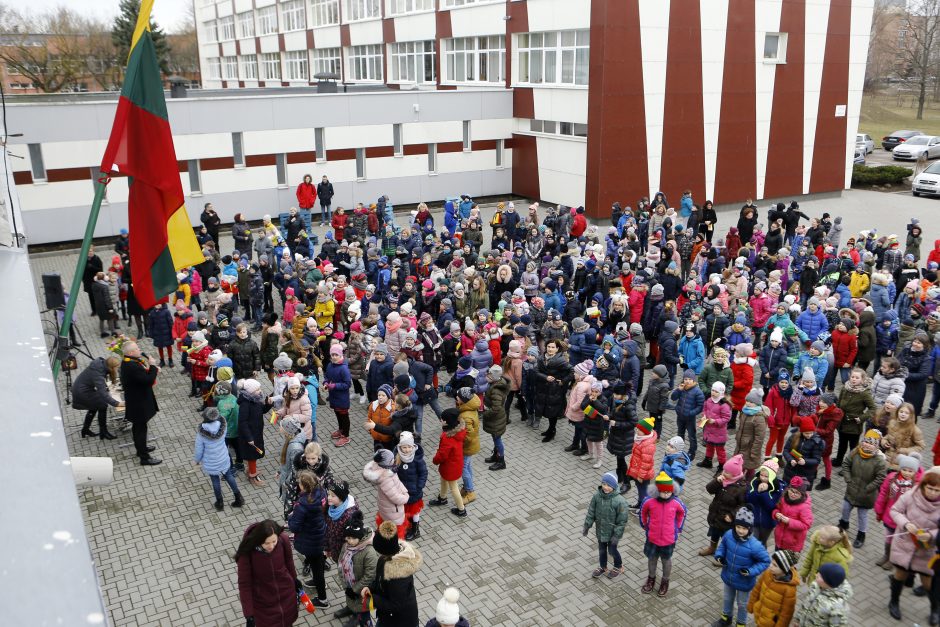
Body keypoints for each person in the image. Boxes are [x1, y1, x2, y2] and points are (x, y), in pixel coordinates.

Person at [888, 465, 940, 621]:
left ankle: (935, 609)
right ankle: (894, 602)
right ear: (924, 485)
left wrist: (931, 535)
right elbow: (895, 510)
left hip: (927, 550)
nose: (932, 493)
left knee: (928, 582)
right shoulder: (911, 495)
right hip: (905, 544)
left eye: (937, 490)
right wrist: (906, 524)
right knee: (900, 574)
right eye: (930, 488)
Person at [234, 520, 299, 627]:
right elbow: (244, 585)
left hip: (287, 596)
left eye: (274, 541)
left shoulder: (283, 539)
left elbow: (289, 561)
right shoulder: (246, 554)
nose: (271, 546)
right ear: (258, 540)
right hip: (264, 604)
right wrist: (249, 615)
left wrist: (294, 579)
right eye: (266, 543)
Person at [713, 506, 771, 627]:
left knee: (742, 604)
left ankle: (741, 623)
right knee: (727, 599)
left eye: (744, 528)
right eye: (738, 526)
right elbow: (722, 546)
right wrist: (719, 556)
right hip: (728, 576)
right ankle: (726, 618)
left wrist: (750, 571)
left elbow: (765, 561)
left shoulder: (755, 545)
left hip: (744, 581)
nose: (740, 530)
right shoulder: (728, 535)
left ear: (749, 528)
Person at [362, 521, 423, 627]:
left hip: (401, 622)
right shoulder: (385, 558)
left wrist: (373, 598)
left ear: (383, 549)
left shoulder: (398, 575)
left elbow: (396, 605)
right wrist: (370, 588)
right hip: (388, 617)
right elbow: (380, 580)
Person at [287, 470, 330, 609]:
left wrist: (290, 517)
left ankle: (322, 599)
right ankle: (318, 582)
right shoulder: (322, 492)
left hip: (311, 540)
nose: (298, 485)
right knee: (316, 563)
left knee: (317, 568)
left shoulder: (303, 505)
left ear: (304, 486)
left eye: (299, 483)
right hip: (320, 533)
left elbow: (294, 527)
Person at [639, 471, 687, 596]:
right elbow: (642, 512)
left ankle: (665, 581)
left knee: (666, 561)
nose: (666, 495)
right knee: (652, 559)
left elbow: (683, 513)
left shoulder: (676, 503)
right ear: (657, 490)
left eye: (668, 492)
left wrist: (678, 528)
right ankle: (651, 579)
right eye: (663, 492)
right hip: (653, 538)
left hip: (668, 539)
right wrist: (644, 524)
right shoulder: (649, 501)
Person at [839, 429, 887, 548]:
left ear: (876, 445)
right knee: (845, 508)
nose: (867, 445)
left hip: (867, 494)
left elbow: (881, 477)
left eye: (871, 443)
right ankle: (844, 524)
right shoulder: (855, 452)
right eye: (866, 441)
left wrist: (869, 487)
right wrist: (848, 478)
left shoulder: (879, 461)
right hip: (852, 489)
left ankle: (861, 534)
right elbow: (846, 464)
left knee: (862, 515)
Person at [193, 407, 244, 511]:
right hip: (223, 457)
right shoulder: (222, 427)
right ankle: (238, 497)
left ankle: (220, 502)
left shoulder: (202, 433)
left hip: (211, 461)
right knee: (229, 475)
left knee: (215, 480)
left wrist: (197, 460)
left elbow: (199, 449)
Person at [119, 341, 162, 466]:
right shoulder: (132, 366)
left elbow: (143, 377)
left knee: (139, 428)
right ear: (131, 353)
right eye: (137, 349)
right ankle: (144, 458)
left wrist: (151, 369)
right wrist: (153, 366)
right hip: (138, 404)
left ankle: (141, 449)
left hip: (137, 401)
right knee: (140, 430)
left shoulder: (129, 362)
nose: (140, 350)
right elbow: (147, 380)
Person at [582, 472, 629, 579]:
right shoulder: (596, 497)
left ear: (614, 486)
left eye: (609, 485)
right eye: (604, 484)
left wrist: (616, 535)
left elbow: (622, 521)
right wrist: (587, 525)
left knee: (612, 550)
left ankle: (618, 566)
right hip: (601, 530)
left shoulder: (620, 501)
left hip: (613, 533)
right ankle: (603, 567)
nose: (605, 487)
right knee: (602, 549)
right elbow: (591, 512)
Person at [334, 511, 377, 627]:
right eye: (347, 538)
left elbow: (370, 575)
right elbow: (341, 561)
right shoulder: (347, 545)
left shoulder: (369, 552)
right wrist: (345, 585)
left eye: (353, 538)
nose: (349, 541)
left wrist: (355, 589)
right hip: (350, 585)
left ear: (360, 537)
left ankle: (362, 620)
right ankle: (352, 611)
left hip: (363, 590)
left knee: (364, 612)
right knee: (352, 600)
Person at [700, 455, 747, 558]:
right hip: (716, 514)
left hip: (727, 521)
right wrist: (717, 481)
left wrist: (732, 515)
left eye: (726, 472)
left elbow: (743, 505)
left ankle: (725, 556)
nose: (723, 473)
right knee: (714, 532)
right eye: (723, 470)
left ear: (734, 474)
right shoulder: (722, 480)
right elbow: (709, 489)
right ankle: (712, 548)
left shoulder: (741, 488)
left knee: (727, 538)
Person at [72, 354, 123, 440]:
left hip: (81, 389)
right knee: (103, 406)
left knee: (94, 407)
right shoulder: (98, 374)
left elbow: (103, 385)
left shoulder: (102, 365)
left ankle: (85, 429)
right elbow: (103, 394)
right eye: (117, 367)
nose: (117, 369)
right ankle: (103, 432)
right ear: (112, 367)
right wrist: (117, 403)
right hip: (82, 392)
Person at [429, 408, 468, 518]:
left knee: (454, 488)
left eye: (442, 419)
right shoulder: (458, 431)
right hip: (455, 463)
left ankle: (461, 510)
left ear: (447, 422)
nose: (440, 420)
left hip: (450, 466)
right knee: (443, 480)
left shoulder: (448, 437)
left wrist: (435, 460)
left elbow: (442, 454)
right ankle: (442, 498)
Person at [746, 549, 800, 627]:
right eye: (772, 563)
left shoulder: (789, 589)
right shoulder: (768, 573)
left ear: (784, 569)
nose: (770, 566)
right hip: (760, 613)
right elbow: (757, 589)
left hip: (771, 623)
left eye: (775, 565)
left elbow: (786, 614)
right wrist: (751, 605)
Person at [395, 431, 428, 541]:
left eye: (409, 447)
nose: (407, 450)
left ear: (413, 446)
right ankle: (407, 527)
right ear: (400, 447)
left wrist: (419, 486)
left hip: (414, 492)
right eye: (404, 447)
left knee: (415, 512)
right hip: (402, 492)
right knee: (404, 511)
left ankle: (415, 530)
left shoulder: (417, 459)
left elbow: (423, 473)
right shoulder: (397, 457)